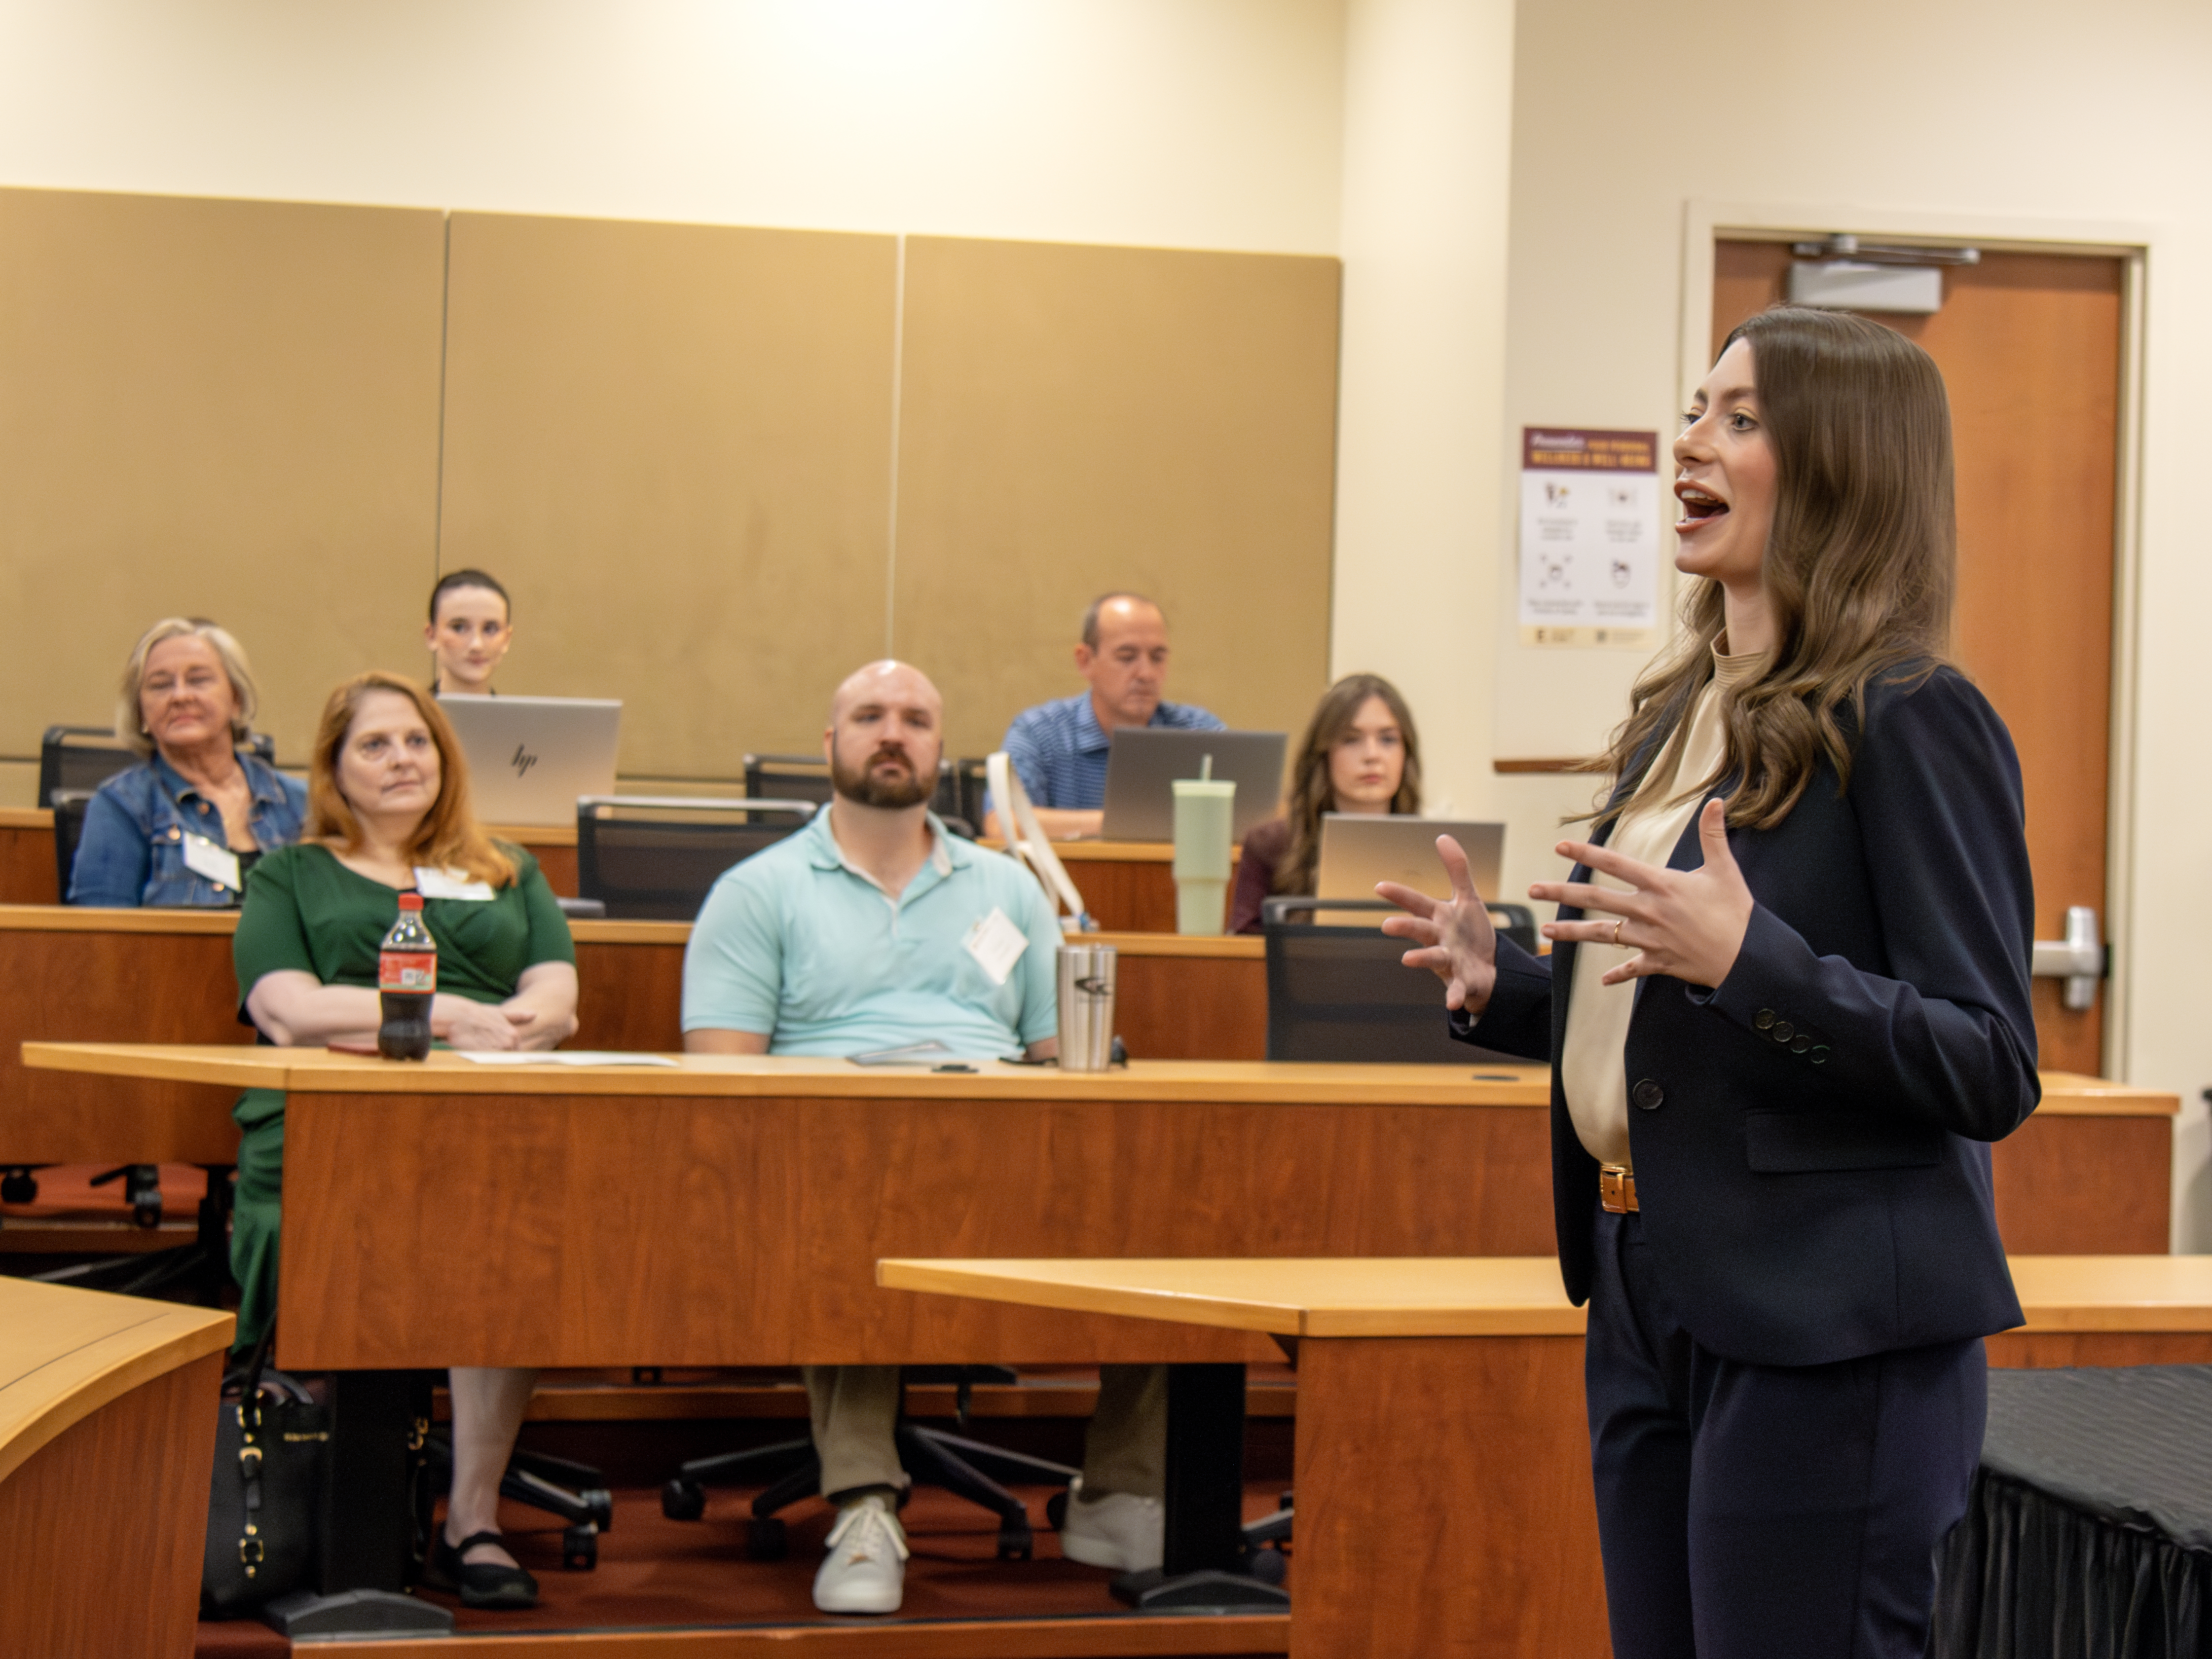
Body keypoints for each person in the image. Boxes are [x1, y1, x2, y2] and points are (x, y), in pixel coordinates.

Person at [1383, 308, 2037, 1657]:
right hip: (1643, 1273)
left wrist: (1755, 962)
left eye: (1740, 418)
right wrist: (1502, 990)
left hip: (1825, 1318)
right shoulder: (1682, 710)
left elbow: (1986, 1061)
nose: (1689, 442)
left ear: (1842, 465)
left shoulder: (1910, 714)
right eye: (1697, 409)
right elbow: (1661, 1009)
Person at [683, 659, 1168, 1616]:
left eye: (914, 717)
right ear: (831, 743)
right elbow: (720, 1083)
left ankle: (1119, 1490)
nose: (892, 731)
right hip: (828, 1158)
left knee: (1160, 1204)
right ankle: (865, 1503)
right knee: (859, 1210)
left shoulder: (1008, 886)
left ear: (940, 748)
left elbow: (1055, 1053)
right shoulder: (758, 889)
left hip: (1000, 1145)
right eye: (868, 715)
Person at [231, 671, 579, 1611]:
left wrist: (517, 1022)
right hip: (328, 1118)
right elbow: (287, 1006)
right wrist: (447, 1012)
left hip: (483, 1115)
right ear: (335, 770)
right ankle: (325, 1510)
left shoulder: (509, 867)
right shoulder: (288, 872)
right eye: (375, 745)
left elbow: (557, 989)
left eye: (416, 741)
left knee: (510, 1247)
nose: (400, 759)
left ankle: (471, 1514)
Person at [69, 618, 307, 907]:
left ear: (237, 699)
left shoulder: (300, 803)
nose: (180, 696)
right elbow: (100, 938)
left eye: (199, 680)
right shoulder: (122, 806)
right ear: (142, 713)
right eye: (160, 685)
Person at [991, 592, 1223, 839]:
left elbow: (1260, 817)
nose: (1146, 673)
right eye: (1127, 657)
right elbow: (1002, 823)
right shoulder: (1039, 732)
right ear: (1086, 661)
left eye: (1157, 658)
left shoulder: (1197, 731)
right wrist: (1126, 822)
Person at [1229, 671, 1422, 934]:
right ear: (1323, 754)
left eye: (1388, 739)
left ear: (1406, 753)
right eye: (1351, 739)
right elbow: (1245, 958)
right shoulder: (1270, 845)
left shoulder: (1436, 849)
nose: (1372, 755)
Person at [425, 569, 514, 696]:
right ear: (432, 635)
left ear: (507, 639)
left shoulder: (517, 716)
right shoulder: (407, 715)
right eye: (459, 628)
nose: (477, 645)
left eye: (490, 629)